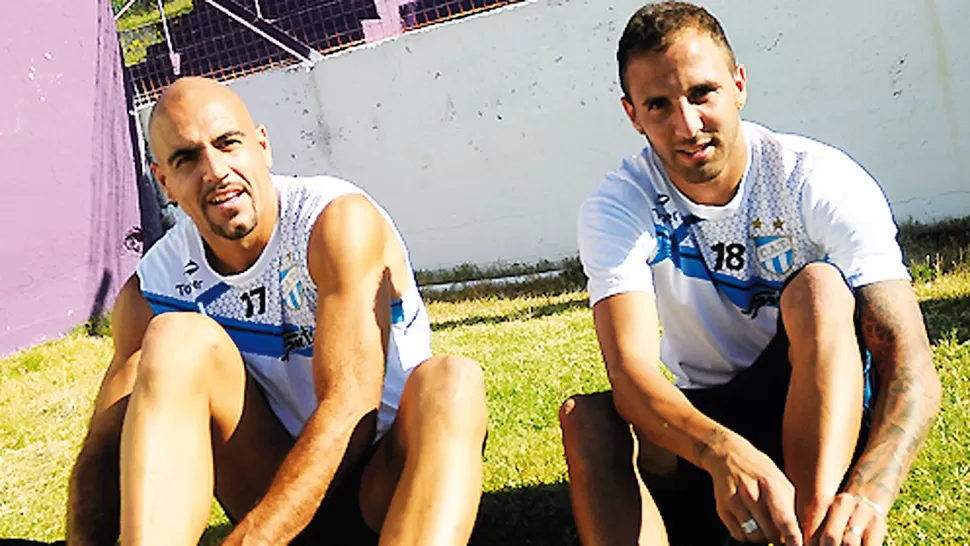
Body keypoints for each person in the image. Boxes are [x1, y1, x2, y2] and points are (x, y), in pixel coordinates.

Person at [559, 2, 941, 545]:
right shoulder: (618, 204)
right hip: (704, 423)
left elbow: (910, 364)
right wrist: (723, 452)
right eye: (659, 105)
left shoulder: (816, 178)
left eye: (701, 94)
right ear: (633, 114)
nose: (686, 125)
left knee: (820, 290)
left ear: (739, 85)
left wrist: (870, 492)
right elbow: (632, 375)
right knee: (587, 421)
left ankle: (807, 529)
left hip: (817, 407)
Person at [66, 77, 488, 546]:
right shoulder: (155, 286)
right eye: (186, 158)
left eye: (228, 143)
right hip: (265, 480)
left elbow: (352, 408)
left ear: (262, 145)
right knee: (175, 340)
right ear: (162, 181)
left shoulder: (332, 222)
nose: (215, 170)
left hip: (383, 486)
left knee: (453, 381)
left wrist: (251, 541)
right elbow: (102, 451)